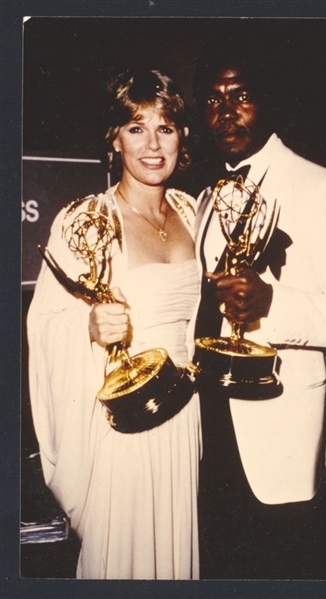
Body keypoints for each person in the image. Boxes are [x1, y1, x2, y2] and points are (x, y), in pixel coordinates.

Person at [190, 42, 326, 579]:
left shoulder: (322, 186)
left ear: (270, 103)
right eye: (213, 99)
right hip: (211, 429)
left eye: (242, 96)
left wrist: (273, 304)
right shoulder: (206, 198)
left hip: (281, 436)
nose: (226, 111)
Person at [27, 68, 201, 579]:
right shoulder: (86, 220)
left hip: (186, 419)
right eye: (136, 127)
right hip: (122, 427)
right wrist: (88, 327)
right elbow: (46, 323)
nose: (152, 144)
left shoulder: (195, 213)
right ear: (114, 137)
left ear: (181, 137)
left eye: (165, 128)